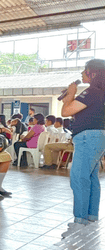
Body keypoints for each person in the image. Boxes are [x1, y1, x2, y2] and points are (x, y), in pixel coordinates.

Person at [60, 59, 105, 237]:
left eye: (84, 71)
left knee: (78, 178)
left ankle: (80, 222)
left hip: (88, 137)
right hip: (98, 136)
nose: (82, 74)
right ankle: (91, 218)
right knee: (91, 177)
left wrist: (70, 94)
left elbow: (66, 111)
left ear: (93, 73)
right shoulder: (101, 92)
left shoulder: (93, 91)